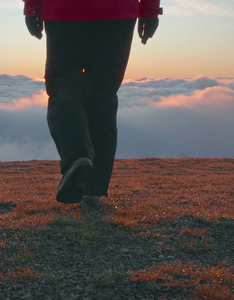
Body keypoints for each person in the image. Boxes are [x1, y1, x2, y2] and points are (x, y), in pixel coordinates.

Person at [23, 0, 162, 209]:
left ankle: (78, 157)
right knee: (103, 95)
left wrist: (32, 7)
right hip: (118, 13)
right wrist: (150, 11)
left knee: (63, 86)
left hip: (65, 10)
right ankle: (92, 192)